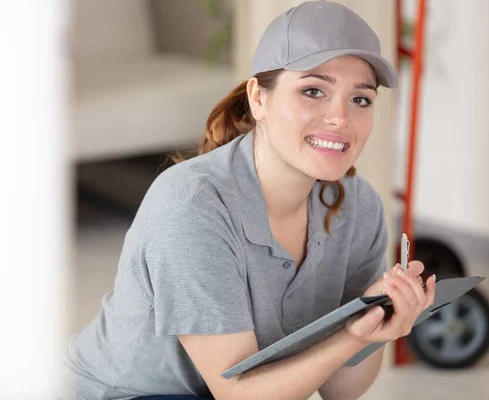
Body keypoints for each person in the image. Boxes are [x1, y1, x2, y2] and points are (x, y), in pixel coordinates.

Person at [60, 1, 436, 399]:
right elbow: (240, 395)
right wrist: (348, 336)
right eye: (313, 91)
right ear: (259, 99)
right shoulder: (192, 206)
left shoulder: (359, 208)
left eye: (360, 99)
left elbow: (341, 392)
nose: (340, 118)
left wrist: (372, 329)